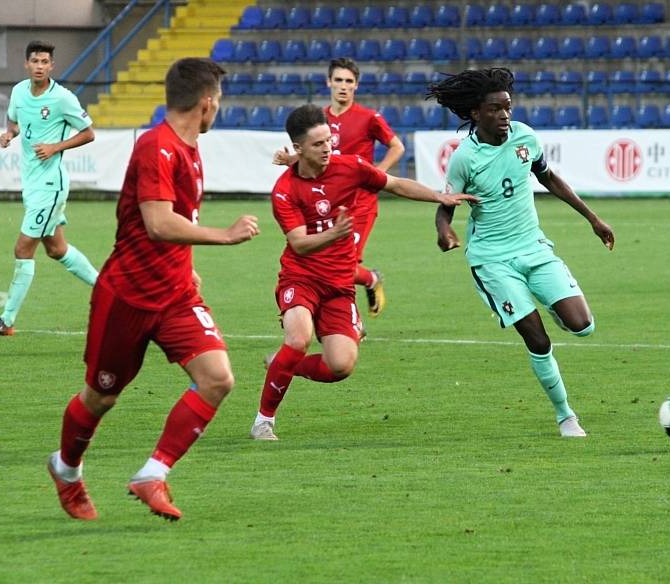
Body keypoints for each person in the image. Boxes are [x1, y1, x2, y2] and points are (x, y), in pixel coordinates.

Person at [47, 58, 259, 521]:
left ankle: (152, 474)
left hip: (177, 293)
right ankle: (65, 469)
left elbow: (181, 221)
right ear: (206, 104)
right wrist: (225, 235)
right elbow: (159, 224)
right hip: (128, 296)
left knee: (218, 378)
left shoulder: (190, 148)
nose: (217, 110)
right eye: (217, 102)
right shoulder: (156, 148)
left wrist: (191, 265)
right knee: (100, 397)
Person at [250, 104, 475, 441]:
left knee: (340, 366)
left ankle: (285, 365)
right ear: (298, 149)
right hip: (301, 278)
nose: (327, 148)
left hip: (340, 284)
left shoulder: (350, 167)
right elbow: (299, 243)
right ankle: (263, 421)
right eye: (318, 144)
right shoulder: (285, 190)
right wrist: (333, 234)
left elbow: (395, 184)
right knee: (298, 338)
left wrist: (439, 196)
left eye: (328, 140)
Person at [428, 68, 615, 438]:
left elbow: (548, 177)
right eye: (495, 109)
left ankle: (550, 303)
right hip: (493, 261)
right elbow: (446, 204)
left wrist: (592, 218)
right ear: (476, 113)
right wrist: (444, 231)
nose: (504, 115)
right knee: (538, 339)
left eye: (508, 107)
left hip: (534, 248)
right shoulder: (465, 157)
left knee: (583, 327)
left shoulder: (525, 137)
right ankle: (566, 416)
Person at [0, 40, 98, 336]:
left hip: (50, 185)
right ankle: (111, 290)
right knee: (57, 249)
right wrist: (9, 134)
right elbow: (15, 122)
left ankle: (6, 321)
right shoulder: (19, 92)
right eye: (35, 61)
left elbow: (89, 133)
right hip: (31, 183)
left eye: (45, 61)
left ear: (52, 66)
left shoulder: (63, 98)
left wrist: (56, 146)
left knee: (23, 247)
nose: (40, 66)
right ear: (27, 64)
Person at [273, 58, 405, 318]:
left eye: (349, 81)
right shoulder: (317, 120)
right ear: (328, 82)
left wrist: (377, 174)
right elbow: (313, 155)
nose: (343, 86)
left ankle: (348, 322)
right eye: (339, 80)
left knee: (343, 263)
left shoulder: (369, 118)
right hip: (326, 203)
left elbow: (397, 146)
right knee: (322, 259)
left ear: (356, 86)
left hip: (360, 203)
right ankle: (368, 280)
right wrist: (292, 160)